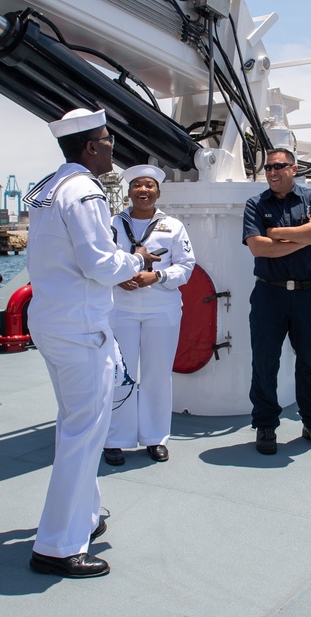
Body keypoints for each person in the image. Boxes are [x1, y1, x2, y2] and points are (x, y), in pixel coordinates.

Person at [24, 108, 161, 578]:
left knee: (76, 423)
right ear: (89, 148)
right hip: (81, 330)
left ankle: (82, 516)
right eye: (106, 140)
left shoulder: (46, 189)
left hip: (52, 322)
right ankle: (57, 547)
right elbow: (101, 264)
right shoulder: (83, 190)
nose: (111, 147)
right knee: (83, 436)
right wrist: (136, 257)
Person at [242, 147, 311, 455]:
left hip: (307, 295)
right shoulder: (255, 204)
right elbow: (259, 248)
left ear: (294, 169)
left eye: (279, 166)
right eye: (268, 167)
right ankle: (266, 424)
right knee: (265, 361)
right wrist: (303, 237)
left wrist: (279, 234)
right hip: (270, 294)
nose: (272, 172)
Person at [103, 164, 195, 466]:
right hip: (120, 308)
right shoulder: (111, 223)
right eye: (137, 186)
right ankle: (116, 439)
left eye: (149, 186)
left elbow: (186, 267)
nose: (143, 191)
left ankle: (155, 437)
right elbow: (99, 261)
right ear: (129, 191)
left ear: (158, 191)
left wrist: (156, 277)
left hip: (161, 310)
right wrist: (117, 278)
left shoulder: (174, 226)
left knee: (157, 375)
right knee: (119, 375)